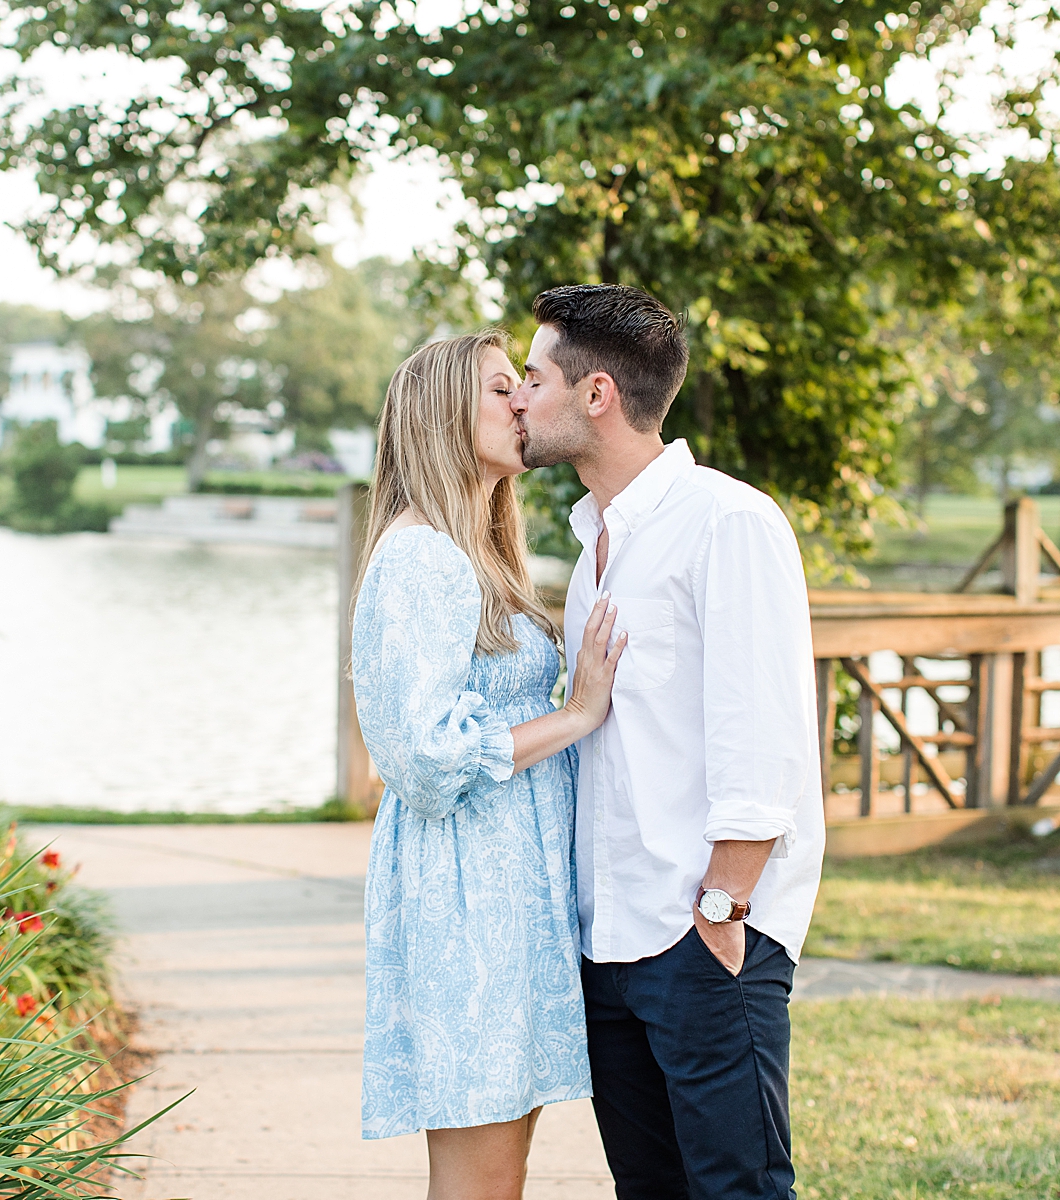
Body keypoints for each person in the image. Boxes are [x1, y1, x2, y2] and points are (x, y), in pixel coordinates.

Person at [510, 285, 825, 1200]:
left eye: (533, 378)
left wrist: (721, 917)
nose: (520, 398)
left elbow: (760, 736)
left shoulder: (727, 522)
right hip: (610, 945)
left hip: (704, 939)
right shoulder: (595, 541)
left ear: (596, 395)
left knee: (740, 1191)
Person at [351, 328, 628, 1200]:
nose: (523, 403)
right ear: (442, 415)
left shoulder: (473, 551)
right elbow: (426, 759)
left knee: (498, 1171)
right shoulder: (423, 556)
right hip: (469, 902)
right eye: (502, 388)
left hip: (506, 896)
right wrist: (575, 712)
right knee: (480, 1179)